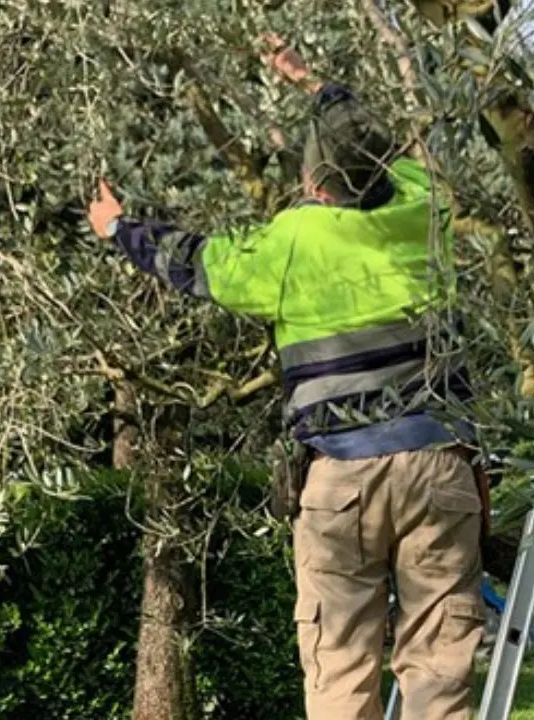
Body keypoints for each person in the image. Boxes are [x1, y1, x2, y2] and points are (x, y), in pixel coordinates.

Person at [87, 36, 485, 720]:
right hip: (439, 461)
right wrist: (313, 83)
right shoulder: (427, 208)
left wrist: (119, 227)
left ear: (313, 184)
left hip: (341, 476)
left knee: (338, 669)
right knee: (440, 669)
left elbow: (193, 261)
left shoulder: (289, 245)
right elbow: (374, 145)